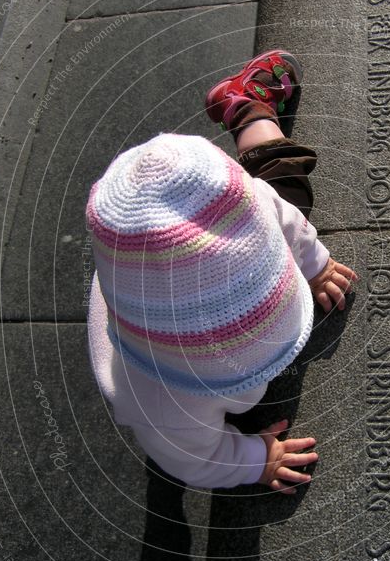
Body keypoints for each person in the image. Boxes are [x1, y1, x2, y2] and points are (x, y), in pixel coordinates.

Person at [86, 50, 358, 494]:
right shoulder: (161, 403)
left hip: (205, 233)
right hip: (159, 317)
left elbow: (282, 216)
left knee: (284, 184)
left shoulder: (253, 208)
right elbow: (194, 459)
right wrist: (255, 461)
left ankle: (247, 106)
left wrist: (313, 262)